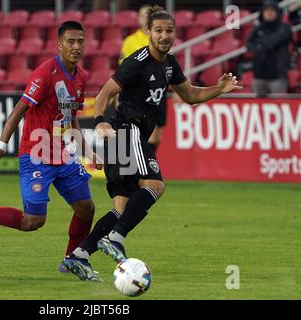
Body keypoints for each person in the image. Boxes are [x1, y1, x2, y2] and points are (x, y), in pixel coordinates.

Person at [62, 6, 241, 280]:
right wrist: (98, 120)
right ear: (148, 32)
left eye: (169, 30)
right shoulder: (137, 61)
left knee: (120, 208)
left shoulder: (169, 63)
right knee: (155, 186)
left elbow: (190, 94)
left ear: (175, 33)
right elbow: (105, 93)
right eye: (159, 30)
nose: (164, 35)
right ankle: (116, 239)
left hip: (123, 139)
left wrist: (219, 89)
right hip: (125, 131)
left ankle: (80, 254)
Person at [0, 21, 103, 276]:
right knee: (32, 222)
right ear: (59, 44)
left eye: (80, 41)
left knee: (86, 208)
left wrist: (87, 151)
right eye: (70, 41)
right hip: (36, 154)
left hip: (63, 154)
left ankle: (73, 259)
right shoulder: (45, 74)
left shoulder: (81, 78)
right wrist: (1, 146)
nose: (76, 47)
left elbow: (71, 119)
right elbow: (18, 111)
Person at [119, 4, 167, 153]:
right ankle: (146, 169)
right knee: (146, 135)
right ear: (139, 19)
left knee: (157, 137)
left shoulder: (161, 38)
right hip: (139, 93)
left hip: (159, 90)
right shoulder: (130, 41)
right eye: (143, 16)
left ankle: (146, 165)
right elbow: (122, 70)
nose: (146, 18)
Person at [246, 0, 292, 97]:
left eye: (272, 10)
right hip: (259, 76)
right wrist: (261, 46)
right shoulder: (258, 28)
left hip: (277, 76)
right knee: (258, 107)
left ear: (277, 12)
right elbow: (248, 44)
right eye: (266, 10)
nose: (269, 13)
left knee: (279, 106)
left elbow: (272, 42)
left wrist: (259, 44)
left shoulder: (285, 28)